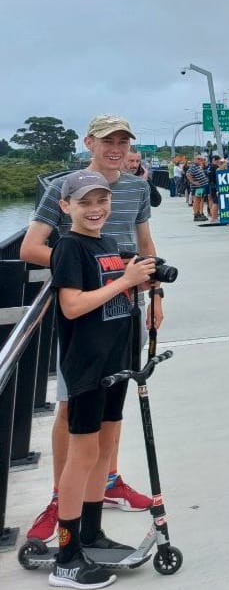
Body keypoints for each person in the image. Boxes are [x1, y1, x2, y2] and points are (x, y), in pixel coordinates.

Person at [20, 115, 162, 546]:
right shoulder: (62, 188)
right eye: (107, 141)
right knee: (72, 406)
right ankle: (61, 498)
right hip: (86, 311)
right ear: (89, 143)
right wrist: (90, 268)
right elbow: (30, 247)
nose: (115, 149)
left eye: (123, 141)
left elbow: (145, 245)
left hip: (127, 307)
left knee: (114, 403)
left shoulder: (136, 188)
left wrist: (156, 295)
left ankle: (107, 482)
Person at [46, 171, 157, 589]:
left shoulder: (107, 242)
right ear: (66, 206)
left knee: (105, 448)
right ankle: (67, 555)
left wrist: (140, 283)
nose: (95, 210)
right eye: (85, 202)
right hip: (88, 366)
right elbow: (72, 306)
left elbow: (113, 293)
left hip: (115, 362)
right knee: (82, 453)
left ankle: (92, 533)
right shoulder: (69, 246)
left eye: (102, 201)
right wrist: (125, 281)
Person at [186, 154, 209, 221]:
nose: (201, 161)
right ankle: (196, 215)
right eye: (200, 160)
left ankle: (199, 214)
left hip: (201, 187)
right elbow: (188, 174)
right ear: (196, 160)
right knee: (197, 200)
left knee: (199, 200)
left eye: (202, 160)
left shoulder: (198, 166)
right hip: (198, 187)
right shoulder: (193, 166)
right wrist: (193, 182)